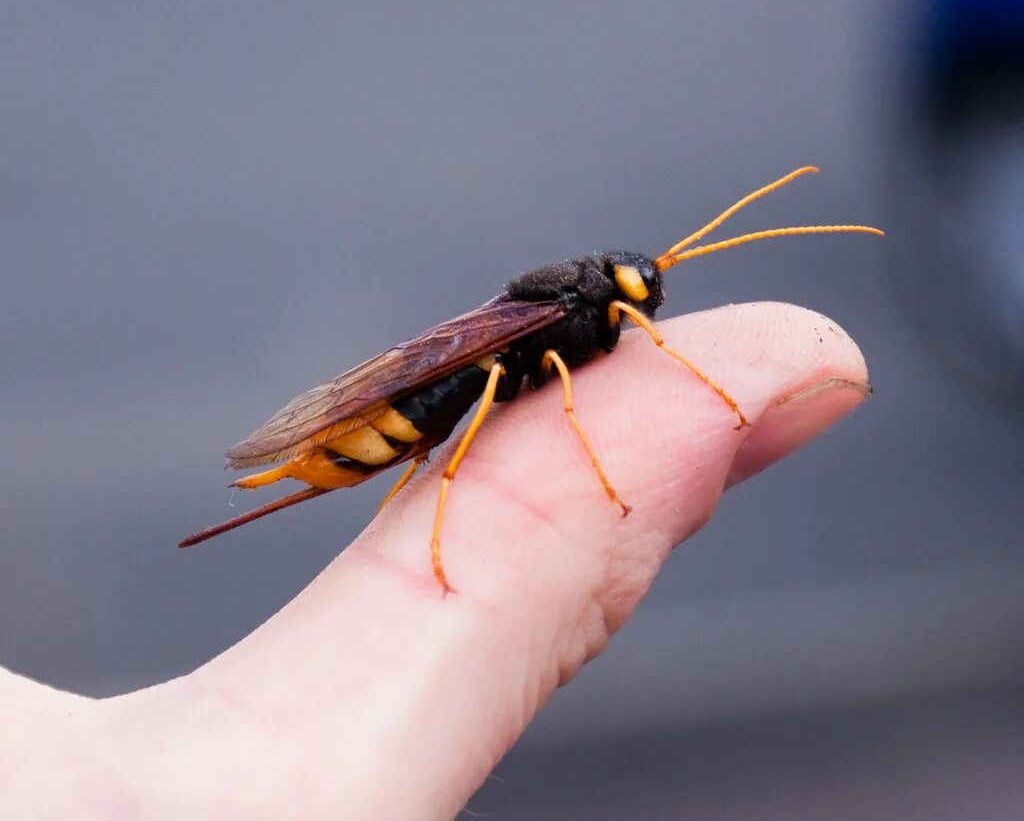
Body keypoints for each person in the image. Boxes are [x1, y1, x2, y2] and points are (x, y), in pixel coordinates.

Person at [0, 303, 869, 820]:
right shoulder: (561, 326)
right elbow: (542, 382)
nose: (645, 309)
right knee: (475, 391)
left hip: (435, 396)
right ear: (614, 301)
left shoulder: (573, 316)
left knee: (470, 393)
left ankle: (336, 473)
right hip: (426, 402)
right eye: (639, 300)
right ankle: (342, 474)